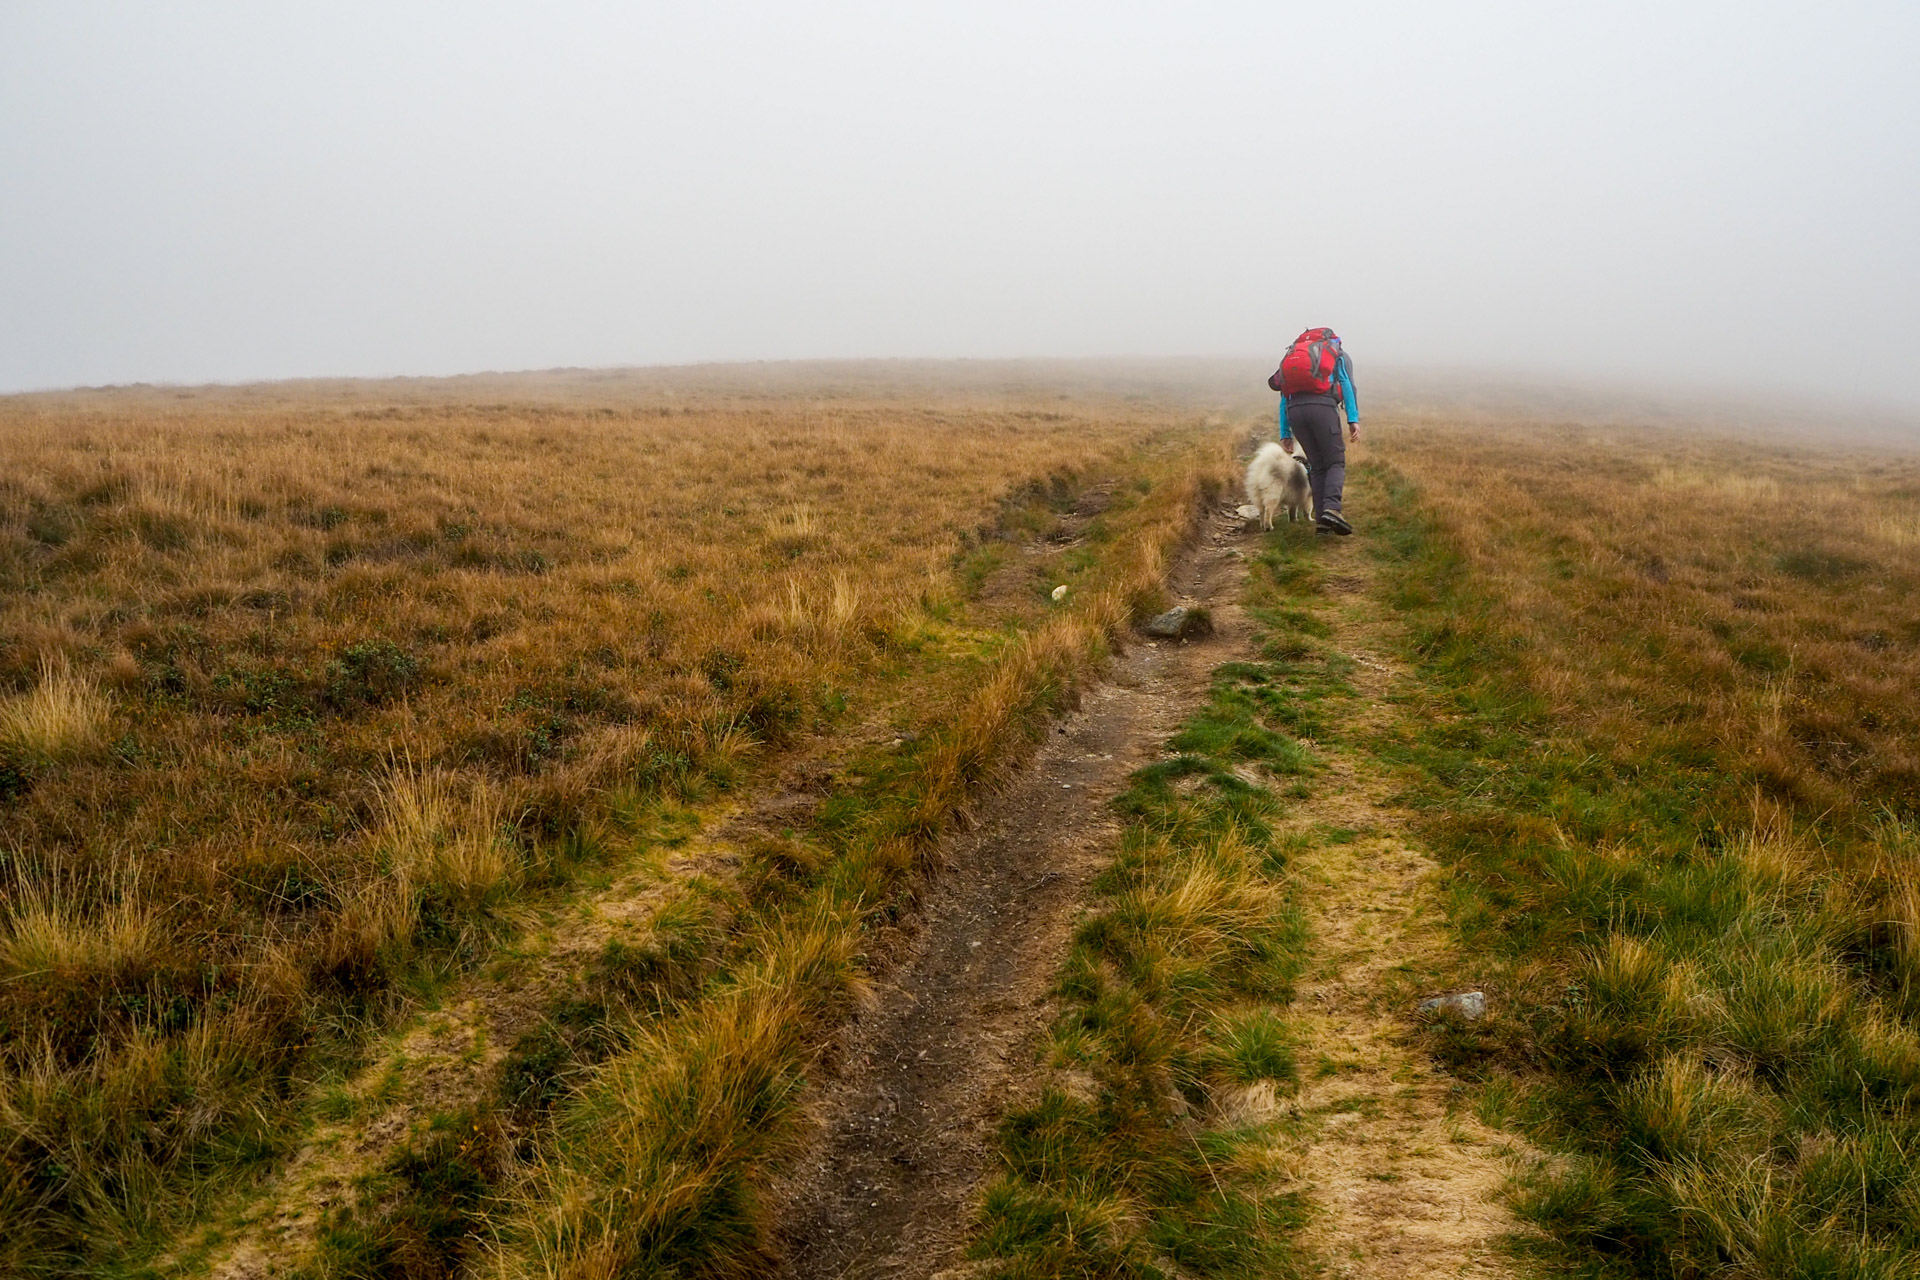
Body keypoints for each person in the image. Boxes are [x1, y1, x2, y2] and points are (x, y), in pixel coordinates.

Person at [1277, 335, 1360, 535]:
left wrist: (1285, 432)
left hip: (1294, 411)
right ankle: (1332, 508)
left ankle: (1323, 521)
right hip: (1322, 408)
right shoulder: (1336, 353)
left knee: (1317, 465)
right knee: (1335, 461)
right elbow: (1347, 384)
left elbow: (1283, 395)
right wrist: (1353, 418)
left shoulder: (1292, 357)